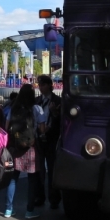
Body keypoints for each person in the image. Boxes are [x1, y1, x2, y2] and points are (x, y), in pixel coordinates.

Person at [4, 84, 45, 219]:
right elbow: (42, 130)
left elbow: (6, 127)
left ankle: (9, 209)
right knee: (32, 180)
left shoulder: (13, 109)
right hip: (30, 147)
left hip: (16, 148)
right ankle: (29, 211)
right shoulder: (37, 109)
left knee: (13, 179)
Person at [34, 74, 61, 210]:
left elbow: (62, 121)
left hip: (51, 139)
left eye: (43, 85)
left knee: (52, 169)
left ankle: (54, 198)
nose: (41, 87)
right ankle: (40, 196)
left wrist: (55, 113)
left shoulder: (58, 100)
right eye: (39, 85)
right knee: (39, 169)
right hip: (39, 138)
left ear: (50, 86)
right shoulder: (37, 101)